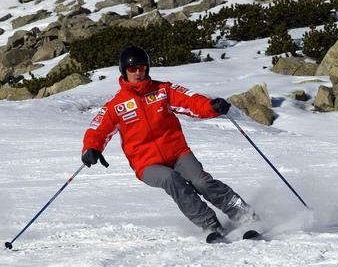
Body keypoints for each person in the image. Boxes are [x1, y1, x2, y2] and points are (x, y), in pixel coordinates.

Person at [81, 46, 256, 238]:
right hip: (146, 163)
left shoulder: (163, 90)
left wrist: (211, 106)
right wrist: (91, 148)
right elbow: (97, 128)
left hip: (177, 152)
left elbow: (191, 101)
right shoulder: (116, 105)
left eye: (142, 68)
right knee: (171, 179)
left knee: (202, 182)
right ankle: (210, 224)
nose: (138, 73)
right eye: (132, 69)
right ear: (124, 71)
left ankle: (244, 215)